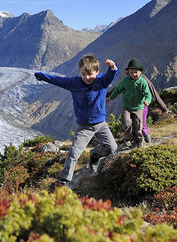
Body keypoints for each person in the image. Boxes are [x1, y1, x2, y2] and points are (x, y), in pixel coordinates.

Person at [34, 55, 118, 189]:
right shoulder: (75, 83)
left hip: (101, 124)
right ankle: (64, 179)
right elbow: (59, 80)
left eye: (90, 74)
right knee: (74, 152)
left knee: (112, 148)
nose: (87, 77)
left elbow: (111, 75)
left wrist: (112, 68)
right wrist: (42, 76)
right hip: (84, 126)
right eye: (83, 74)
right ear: (80, 72)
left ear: (96, 72)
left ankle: (95, 155)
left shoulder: (102, 81)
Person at [107, 58, 152, 148]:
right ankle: (129, 138)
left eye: (136, 72)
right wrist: (110, 97)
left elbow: (148, 94)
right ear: (128, 72)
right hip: (127, 106)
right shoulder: (125, 81)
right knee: (126, 122)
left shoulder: (143, 82)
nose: (134, 74)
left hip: (139, 107)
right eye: (131, 72)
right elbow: (117, 90)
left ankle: (139, 140)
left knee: (138, 125)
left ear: (140, 72)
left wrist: (147, 100)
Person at [140, 75, 168, 143]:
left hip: (142, 105)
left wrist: (163, 107)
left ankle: (145, 135)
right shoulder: (128, 80)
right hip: (130, 106)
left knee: (142, 123)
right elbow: (119, 88)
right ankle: (136, 139)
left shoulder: (143, 79)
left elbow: (153, 92)